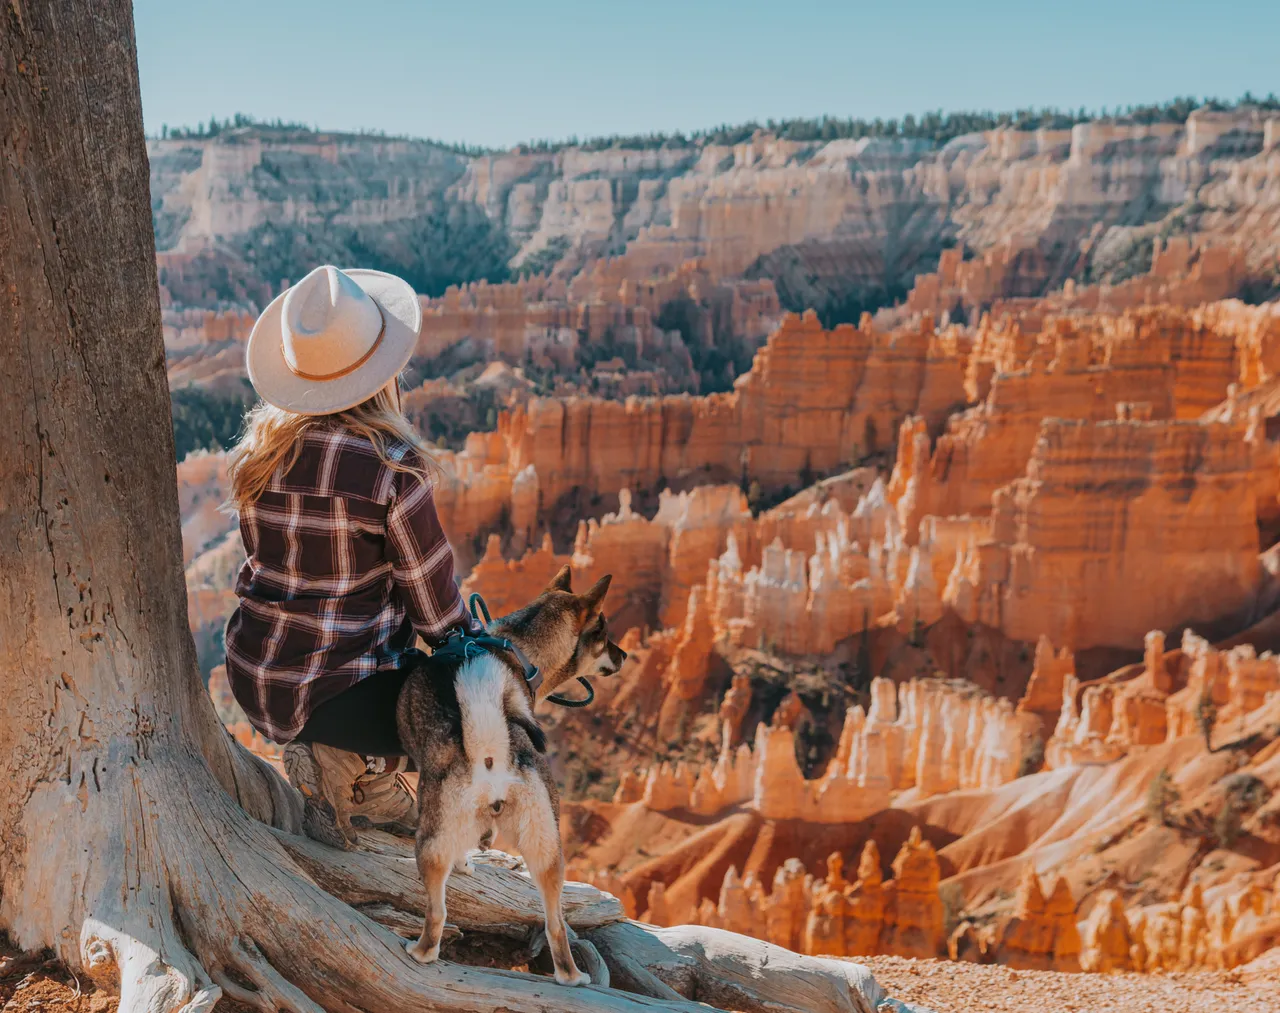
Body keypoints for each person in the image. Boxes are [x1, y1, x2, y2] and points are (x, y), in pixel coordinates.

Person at [223, 264, 480, 849]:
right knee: (484, 707)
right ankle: (352, 770)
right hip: (334, 699)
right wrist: (484, 661)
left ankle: (359, 772)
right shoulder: (392, 471)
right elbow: (438, 620)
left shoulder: (259, 458)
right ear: (382, 372)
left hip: (255, 675)